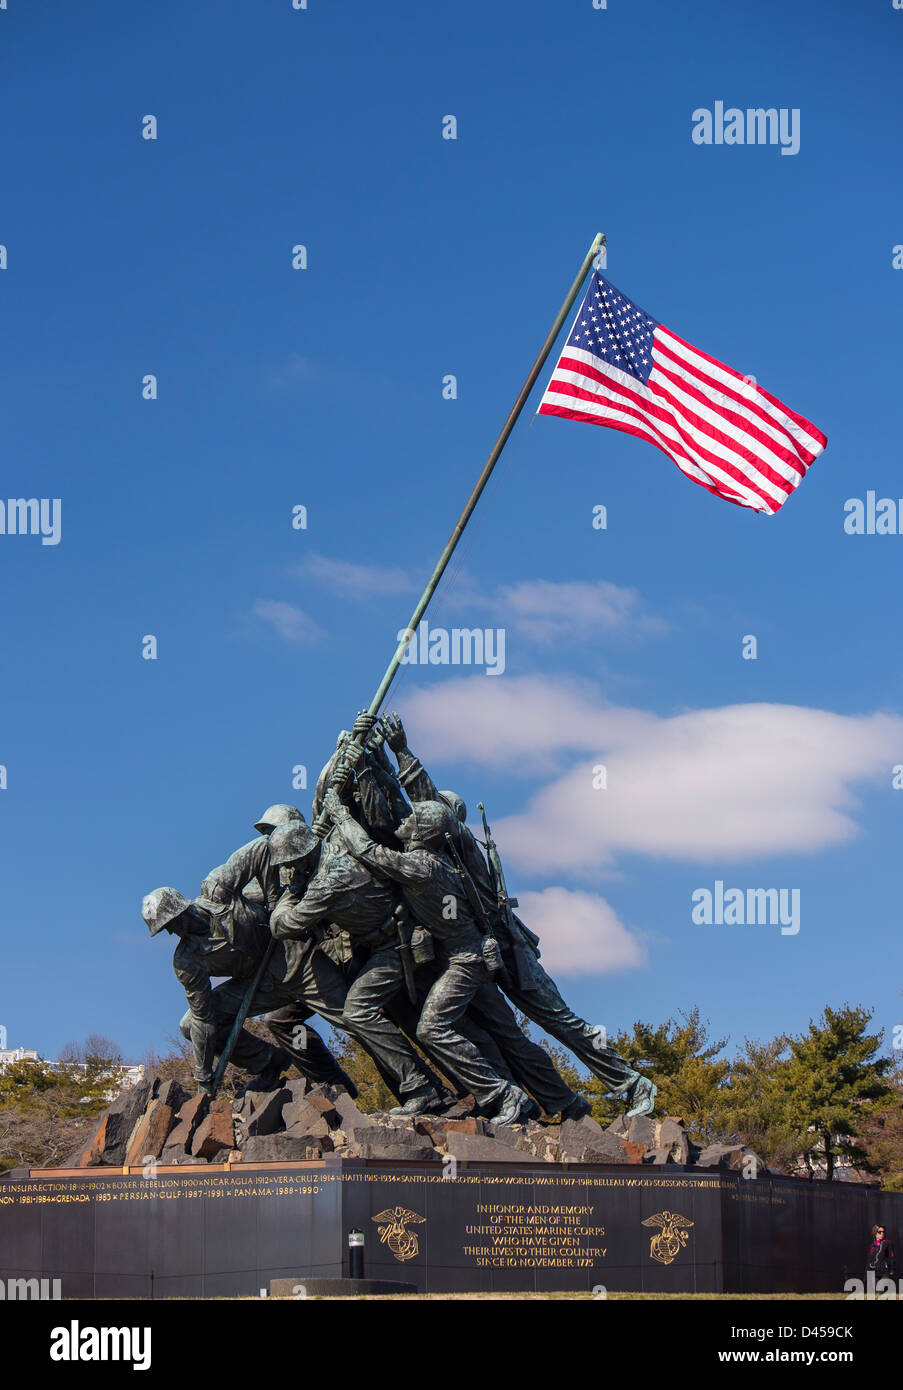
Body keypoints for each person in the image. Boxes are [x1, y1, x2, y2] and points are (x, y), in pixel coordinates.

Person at [378, 712, 657, 1118]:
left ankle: (633, 1083)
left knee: (560, 1021)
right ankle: (564, 1103)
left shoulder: (462, 846)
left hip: (508, 949)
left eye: (432, 810)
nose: (420, 815)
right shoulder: (435, 859)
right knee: (508, 1035)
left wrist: (402, 750)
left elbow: (425, 799)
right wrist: (380, 757)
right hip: (478, 953)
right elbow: (407, 806)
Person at [323, 789, 539, 1126]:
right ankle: (508, 1092)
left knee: (431, 1029)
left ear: (422, 833)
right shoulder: (439, 863)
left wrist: (340, 814)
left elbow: (368, 851)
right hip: (463, 957)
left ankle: (503, 1093)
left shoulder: (421, 867)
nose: (405, 820)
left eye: (412, 818)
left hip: (464, 961)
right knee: (468, 1028)